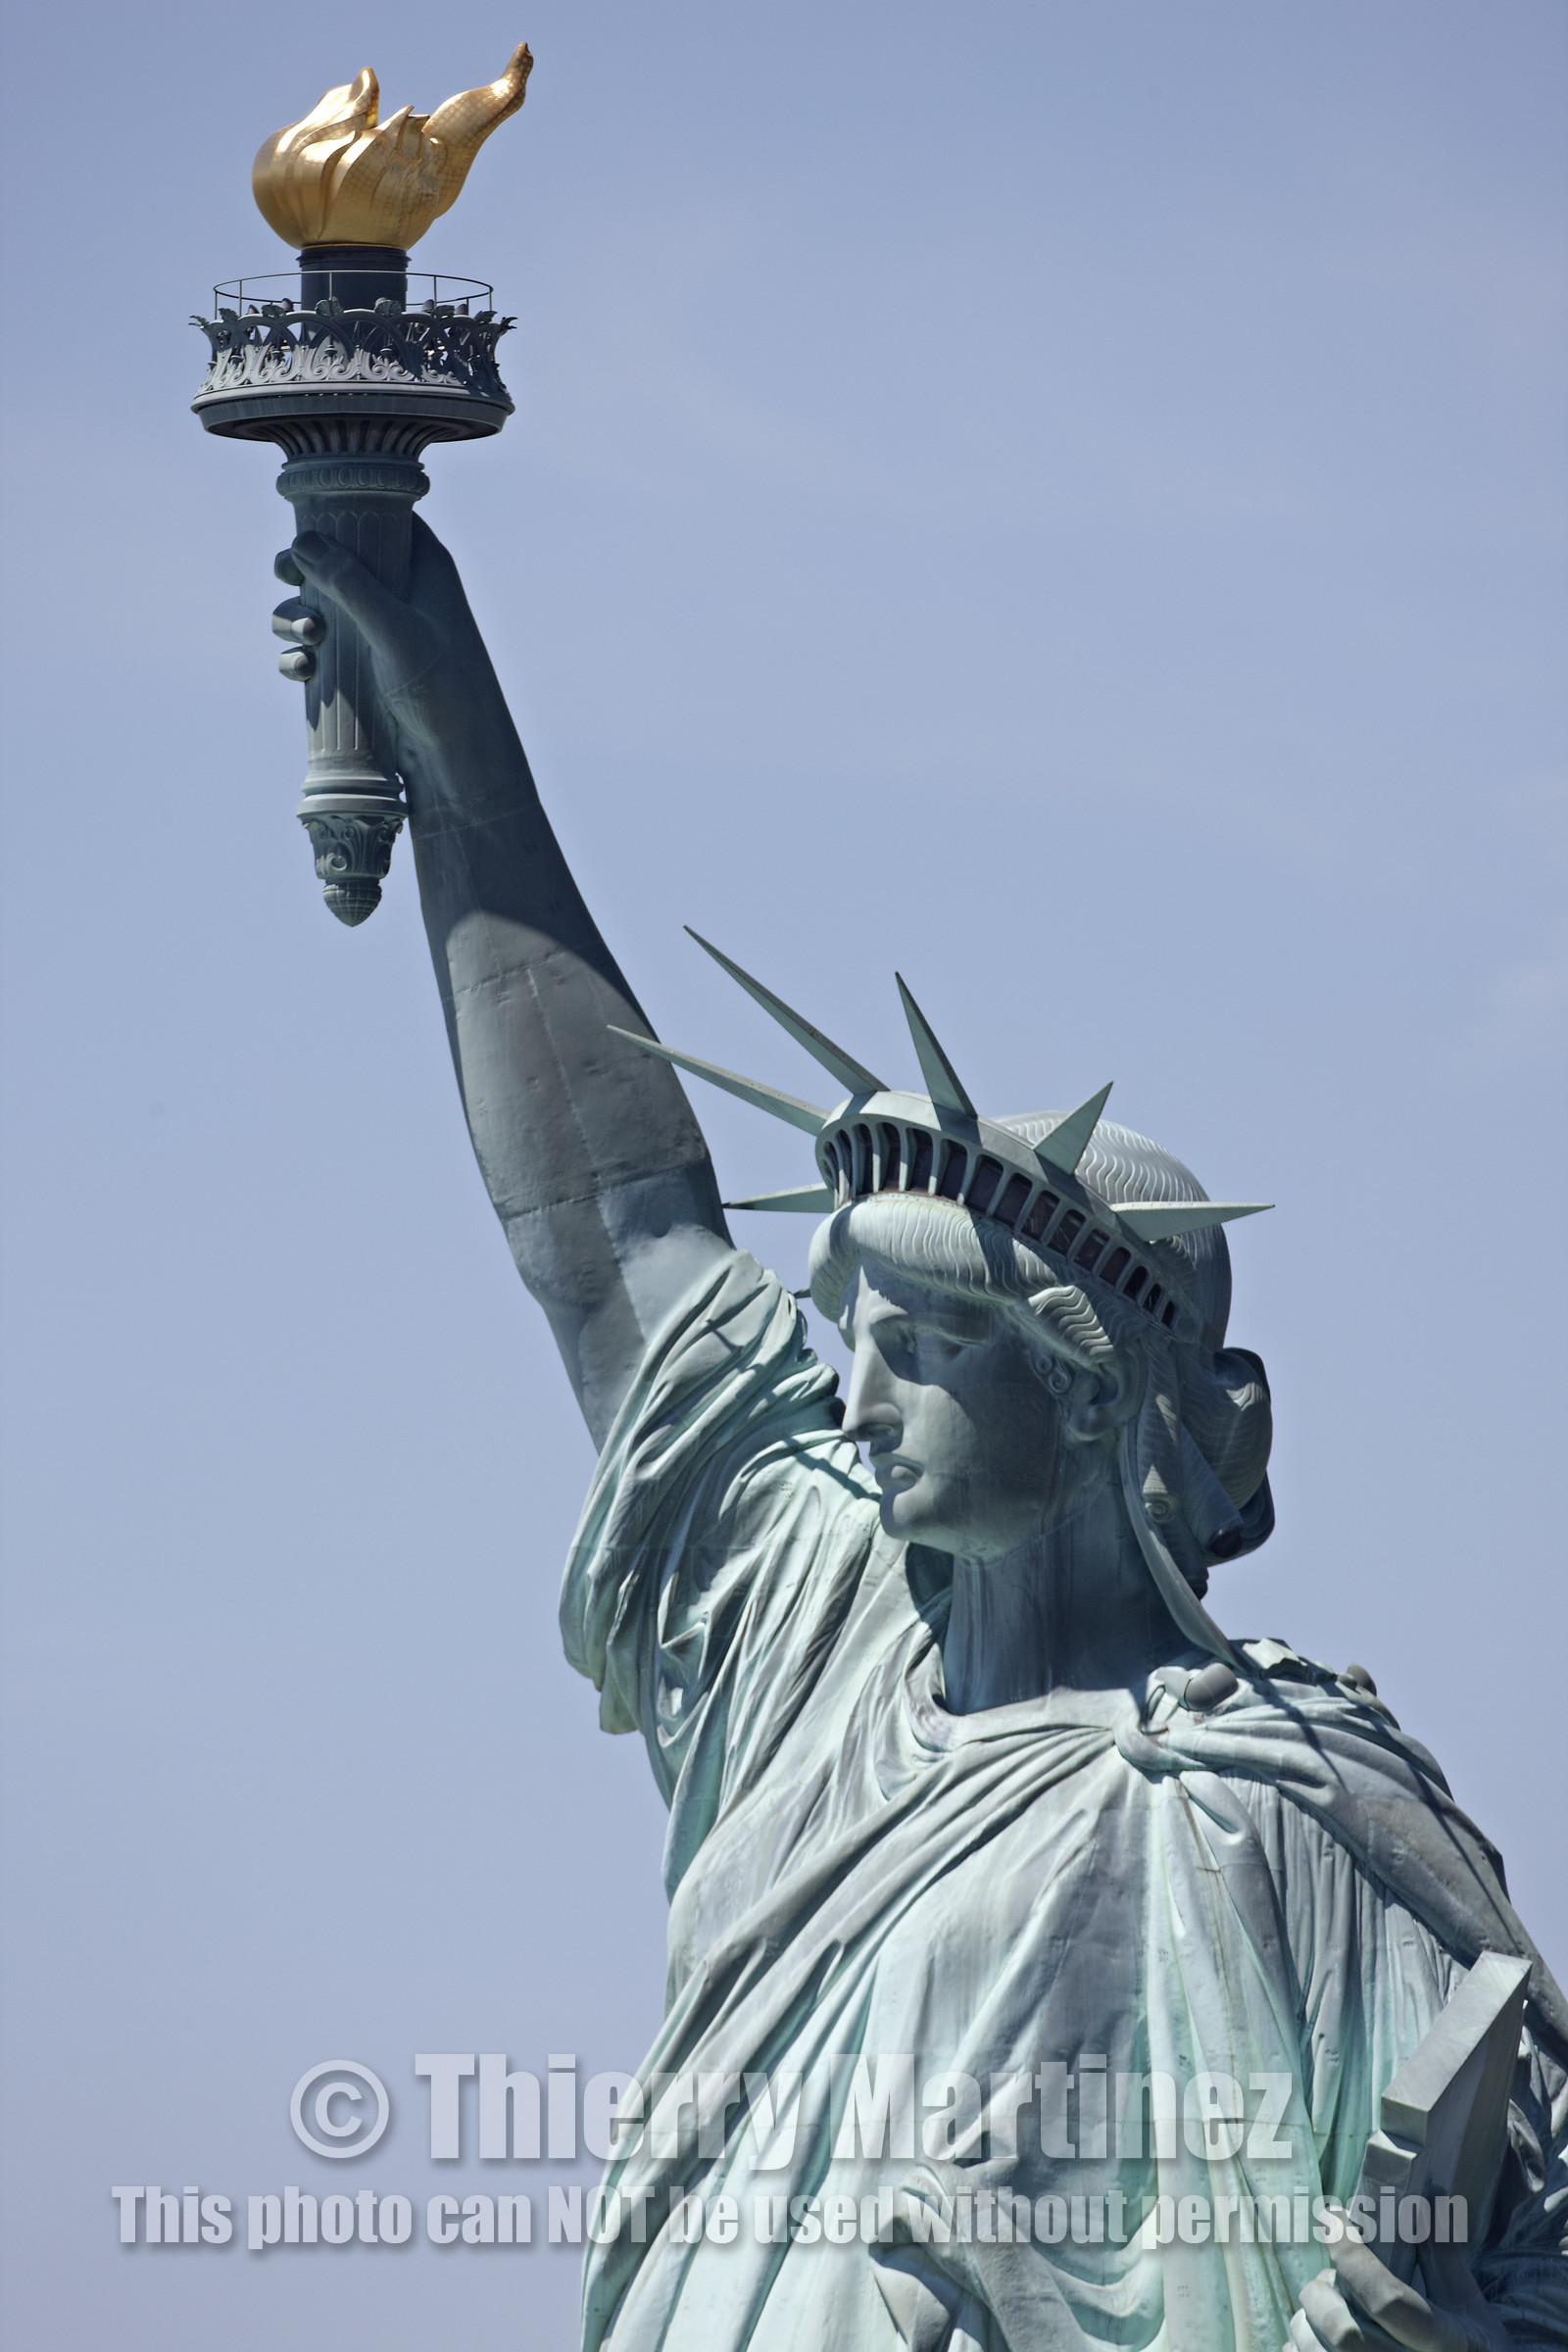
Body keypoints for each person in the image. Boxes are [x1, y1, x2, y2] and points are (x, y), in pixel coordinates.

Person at [271, 518, 1567, 2352]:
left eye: (918, 1351)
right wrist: (438, 699)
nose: (853, 1402)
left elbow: (1528, 2267)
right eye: (845, 1345)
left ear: (1086, 1381)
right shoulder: (826, 1642)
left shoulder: (1312, 1817)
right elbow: (617, 1229)